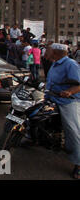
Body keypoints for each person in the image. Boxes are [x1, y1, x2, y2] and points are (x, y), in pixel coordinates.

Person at [45, 43, 80, 179]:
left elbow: (79, 84)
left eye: (49, 50)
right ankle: (33, 137)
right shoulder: (55, 63)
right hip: (52, 97)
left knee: (73, 131)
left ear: (55, 52)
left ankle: (78, 164)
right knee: (34, 114)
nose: (46, 52)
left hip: (68, 101)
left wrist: (69, 92)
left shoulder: (70, 64)